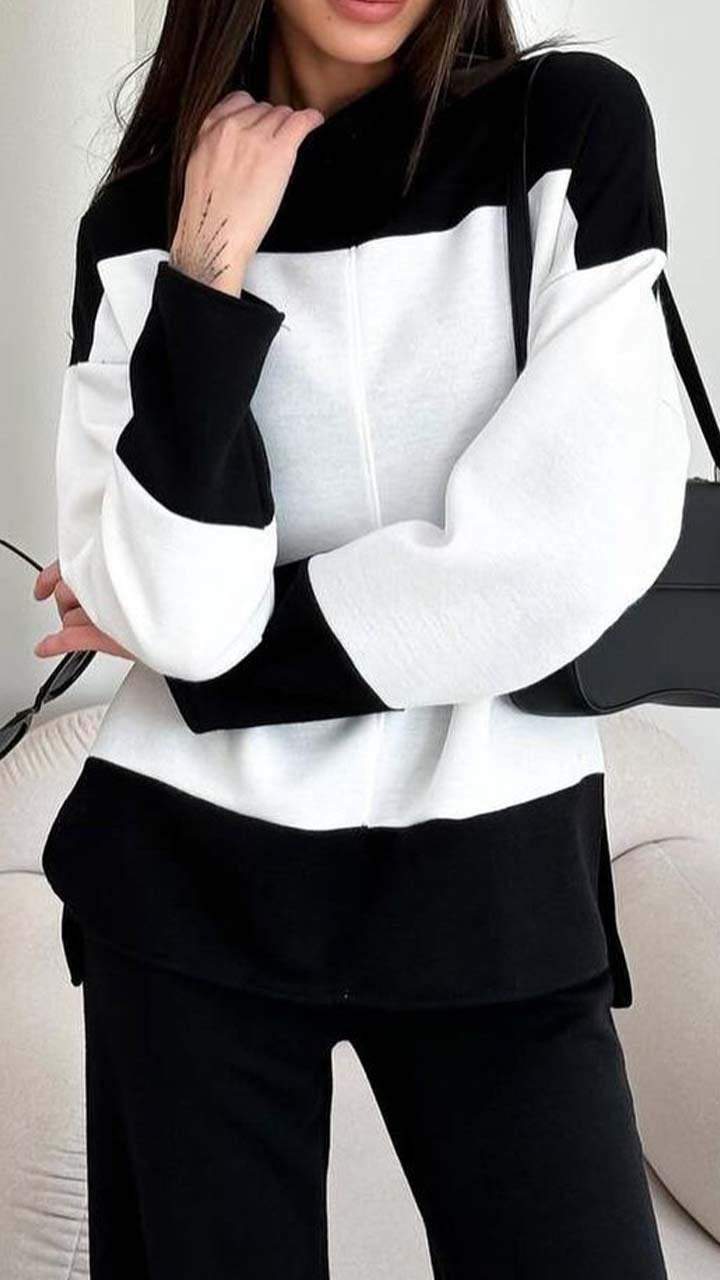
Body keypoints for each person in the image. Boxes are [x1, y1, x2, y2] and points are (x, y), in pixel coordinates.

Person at [35, 0, 690, 1274]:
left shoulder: (565, 130)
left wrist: (222, 646)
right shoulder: (145, 221)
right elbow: (184, 613)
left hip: (497, 881)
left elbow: (568, 551)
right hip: (186, 891)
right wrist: (208, 263)